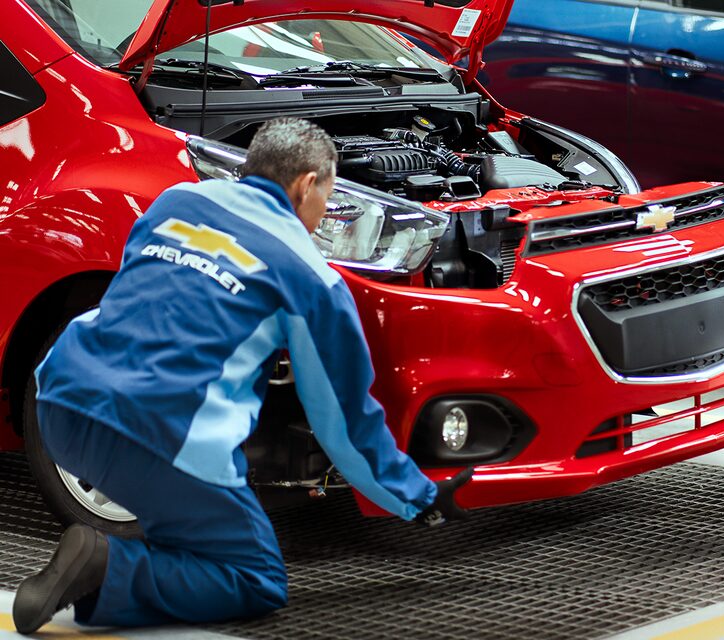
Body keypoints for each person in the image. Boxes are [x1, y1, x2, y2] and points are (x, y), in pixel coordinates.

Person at [13, 117, 472, 634]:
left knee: (189, 515)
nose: (325, 209)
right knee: (254, 579)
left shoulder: (175, 203)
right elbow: (343, 425)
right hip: (157, 435)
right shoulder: (311, 279)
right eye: (330, 190)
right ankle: (108, 569)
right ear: (306, 185)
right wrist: (417, 497)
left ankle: (159, 546)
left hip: (58, 401)